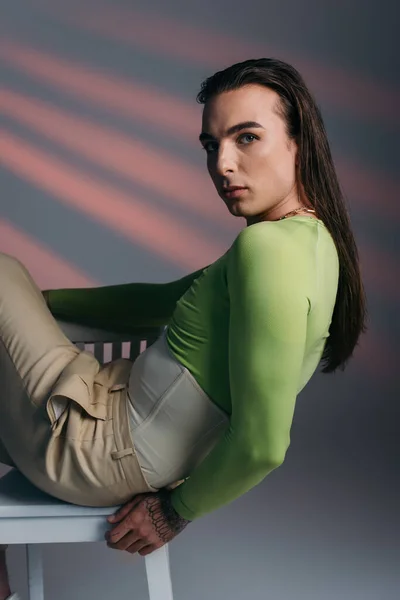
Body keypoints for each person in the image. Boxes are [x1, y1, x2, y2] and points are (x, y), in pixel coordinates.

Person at [0, 57, 367, 600]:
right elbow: (161, 303)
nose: (223, 163)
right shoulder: (308, 243)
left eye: (247, 138)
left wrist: (176, 512)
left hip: (96, 450)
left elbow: (264, 443)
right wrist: (28, 306)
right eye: (210, 145)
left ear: (299, 142)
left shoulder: (267, 252)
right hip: (112, 421)